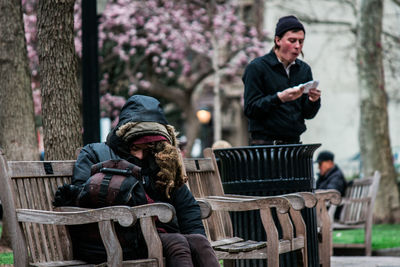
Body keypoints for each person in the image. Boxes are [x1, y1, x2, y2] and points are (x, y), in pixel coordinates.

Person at [70, 95, 220, 267]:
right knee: (177, 243)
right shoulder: (94, 153)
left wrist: (196, 237)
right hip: (110, 238)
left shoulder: (160, 161)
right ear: (125, 139)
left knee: (199, 243)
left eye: (147, 149)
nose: (141, 155)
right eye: (135, 148)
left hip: (150, 235)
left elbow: (186, 206)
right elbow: (79, 197)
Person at [243, 15, 321, 145]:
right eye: (292, 40)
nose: (297, 46)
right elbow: (251, 109)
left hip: (294, 145)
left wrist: (313, 101)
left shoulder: (304, 69)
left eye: (301, 41)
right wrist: (279, 98)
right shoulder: (257, 67)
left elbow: (308, 114)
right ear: (278, 40)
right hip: (265, 146)